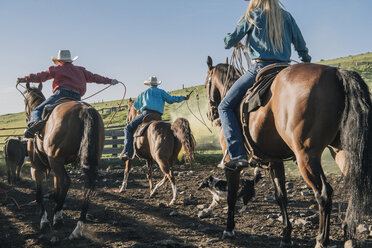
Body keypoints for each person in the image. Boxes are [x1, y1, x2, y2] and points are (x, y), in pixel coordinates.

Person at [219, 0, 311, 169]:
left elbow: (228, 42)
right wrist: (306, 62)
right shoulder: (286, 16)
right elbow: (301, 45)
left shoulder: (252, 16)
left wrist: (234, 41)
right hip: (284, 68)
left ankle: (238, 154)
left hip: (260, 69)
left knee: (224, 107)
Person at [17, 50, 120, 138]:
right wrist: (110, 81)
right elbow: (95, 77)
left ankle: (34, 127)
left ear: (59, 61)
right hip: (77, 98)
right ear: (70, 60)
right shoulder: (81, 70)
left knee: (37, 110)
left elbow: (40, 76)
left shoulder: (56, 68)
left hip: (61, 94)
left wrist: (23, 79)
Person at [119, 76, 189, 162]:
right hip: (158, 116)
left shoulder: (144, 93)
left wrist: (142, 107)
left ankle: (128, 153)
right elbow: (171, 99)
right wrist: (183, 97)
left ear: (149, 84)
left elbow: (136, 106)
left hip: (146, 114)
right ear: (156, 84)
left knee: (128, 128)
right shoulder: (161, 92)